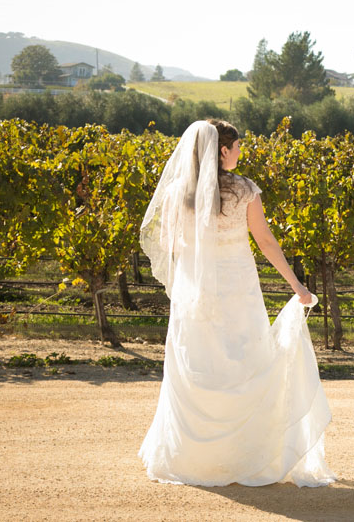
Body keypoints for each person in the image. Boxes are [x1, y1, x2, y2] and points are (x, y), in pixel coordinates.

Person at [137, 118, 336, 487]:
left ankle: (193, 459)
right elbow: (265, 242)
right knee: (245, 365)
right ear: (223, 150)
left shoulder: (178, 192)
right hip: (238, 291)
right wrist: (297, 286)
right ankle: (249, 457)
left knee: (197, 365)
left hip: (194, 293)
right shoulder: (244, 190)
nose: (241, 151)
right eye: (238, 145)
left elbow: (167, 244)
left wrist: (199, 256)